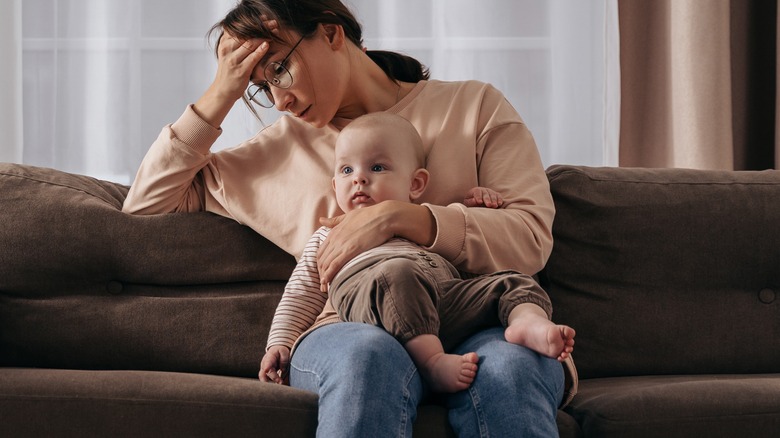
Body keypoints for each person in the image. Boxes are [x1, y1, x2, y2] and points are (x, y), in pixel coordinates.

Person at [123, 0, 577, 435]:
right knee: (367, 357)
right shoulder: (269, 155)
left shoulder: (473, 108)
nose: (278, 99)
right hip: (350, 328)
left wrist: (400, 219)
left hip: (476, 319)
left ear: (331, 33)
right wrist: (222, 92)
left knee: (511, 368)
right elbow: (145, 207)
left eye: (279, 68)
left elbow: (530, 238)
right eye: (260, 86)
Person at [260, 112, 575, 394]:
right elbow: (300, 294)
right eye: (346, 170)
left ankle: (526, 323)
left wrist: (479, 208)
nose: (358, 178)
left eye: (377, 167)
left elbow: (471, 263)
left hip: (439, 303)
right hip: (371, 303)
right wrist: (280, 342)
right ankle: (432, 362)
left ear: (415, 183)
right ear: (334, 185)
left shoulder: (430, 220)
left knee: (512, 282)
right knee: (398, 273)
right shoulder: (329, 234)